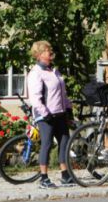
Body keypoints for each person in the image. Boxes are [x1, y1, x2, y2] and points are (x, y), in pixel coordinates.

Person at [26, 40, 74, 188]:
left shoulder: (53, 71)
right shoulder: (36, 73)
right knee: (46, 144)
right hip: (46, 115)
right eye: (48, 50)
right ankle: (44, 178)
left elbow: (62, 93)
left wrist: (68, 108)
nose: (51, 52)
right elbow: (35, 97)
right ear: (40, 55)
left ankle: (65, 175)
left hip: (59, 113)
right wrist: (44, 113)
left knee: (64, 142)